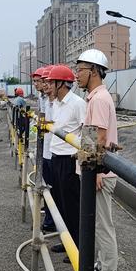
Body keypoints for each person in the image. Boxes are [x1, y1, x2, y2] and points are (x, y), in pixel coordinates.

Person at [76, 49, 120, 271]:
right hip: (95, 172)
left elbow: (100, 138)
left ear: (93, 71)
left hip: (100, 174)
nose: (76, 76)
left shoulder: (100, 99)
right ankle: (102, 266)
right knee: (97, 223)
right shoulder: (95, 98)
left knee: (104, 226)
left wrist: (99, 173)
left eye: (80, 70)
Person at [47, 64, 86, 256]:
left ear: (62, 83)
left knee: (71, 205)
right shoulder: (57, 104)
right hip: (56, 158)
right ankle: (67, 241)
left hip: (68, 161)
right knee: (60, 203)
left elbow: (86, 131)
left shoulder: (77, 103)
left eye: (51, 82)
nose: (48, 86)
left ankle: (78, 248)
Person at [40, 66, 57, 233]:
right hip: (47, 151)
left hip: (57, 154)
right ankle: (51, 219)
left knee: (56, 191)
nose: (45, 85)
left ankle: (54, 221)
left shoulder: (70, 103)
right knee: (49, 188)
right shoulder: (46, 101)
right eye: (43, 82)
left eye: (48, 82)